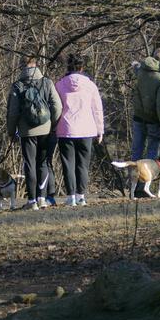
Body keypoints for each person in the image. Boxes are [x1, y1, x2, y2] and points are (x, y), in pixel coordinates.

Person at [6, 55, 62, 210]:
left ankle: (32, 201)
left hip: (27, 132)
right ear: (36, 64)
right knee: (43, 163)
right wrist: (52, 125)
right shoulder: (47, 82)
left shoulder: (17, 85)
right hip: (46, 129)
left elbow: (13, 113)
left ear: (22, 67)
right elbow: (57, 106)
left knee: (30, 164)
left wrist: (11, 131)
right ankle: (42, 198)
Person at [55, 54, 104, 207]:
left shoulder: (60, 84)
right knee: (83, 164)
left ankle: (71, 197)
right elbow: (97, 109)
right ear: (82, 68)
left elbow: (56, 107)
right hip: (86, 129)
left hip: (65, 129)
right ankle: (81, 196)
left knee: (68, 164)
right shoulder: (90, 85)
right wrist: (100, 129)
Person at [130, 48, 160, 161]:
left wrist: (134, 64)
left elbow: (136, 67)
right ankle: (148, 177)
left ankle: (134, 177)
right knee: (152, 151)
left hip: (138, 116)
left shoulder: (142, 70)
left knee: (136, 150)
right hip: (153, 120)